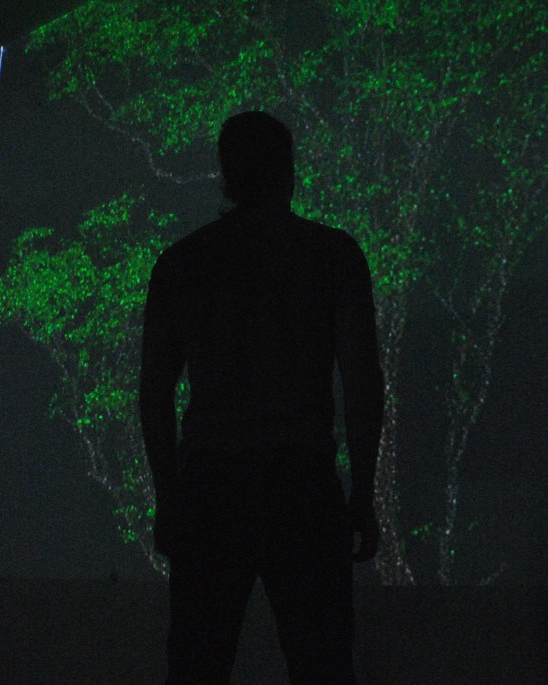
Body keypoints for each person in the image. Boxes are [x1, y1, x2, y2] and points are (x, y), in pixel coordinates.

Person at [139, 111, 384, 685]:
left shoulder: (183, 263)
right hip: (302, 484)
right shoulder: (332, 255)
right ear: (290, 173)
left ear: (226, 177)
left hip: (211, 487)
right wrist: (362, 491)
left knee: (196, 667)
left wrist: (169, 496)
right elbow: (362, 381)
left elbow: (154, 391)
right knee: (322, 665)